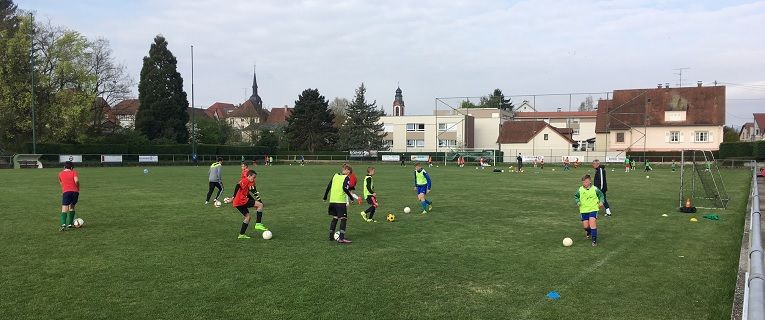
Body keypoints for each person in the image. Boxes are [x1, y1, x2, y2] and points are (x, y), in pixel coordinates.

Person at [232, 170, 268, 239]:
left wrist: (254, 202)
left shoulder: (250, 183)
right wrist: (233, 197)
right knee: (260, 205)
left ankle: (241, 234)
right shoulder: (245, 180)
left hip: (237, 203)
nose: (254, 179)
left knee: (248, 217)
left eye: (255, 177)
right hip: (241, 200)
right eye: (253, 177)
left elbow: (248, 194)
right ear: (249, 176)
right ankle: (258, 224)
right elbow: (237, 185)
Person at [324, 164, 355, 243]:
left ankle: (331, 236)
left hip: (332, 201)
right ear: (347, 170)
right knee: (343, 219)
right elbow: (345, 188)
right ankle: (341, 238)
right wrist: (351, 197)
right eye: (349, 172)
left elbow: (329, 186)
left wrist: (325, 197)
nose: (349, 174)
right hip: (340, 201)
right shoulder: (346, 177)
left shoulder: (335, 175)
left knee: (335, 217)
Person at [574, 174, 605, 246]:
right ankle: (589, 232)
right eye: (583, 182)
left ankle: (594, 240)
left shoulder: (595, 189)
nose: (584, 184)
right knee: (586, 226)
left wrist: (601, 201)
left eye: (586, 182)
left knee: (592, 223)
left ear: (590, 181)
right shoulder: (580, 190)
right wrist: (578, 201)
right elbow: (576, 196)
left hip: (593, 209)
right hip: (583, 210)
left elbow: (601, 195)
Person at [58, 161, 80, 231]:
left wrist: (64, 191)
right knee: (72, 207)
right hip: (75, 192)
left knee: (64, 208)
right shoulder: (74, 172)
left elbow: (61, 183)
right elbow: (76, 181)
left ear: (64, 167)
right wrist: (78, 187)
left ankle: (63, 224)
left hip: (66, 192)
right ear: (71, 167)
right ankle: (70, 224)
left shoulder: (60, 174)